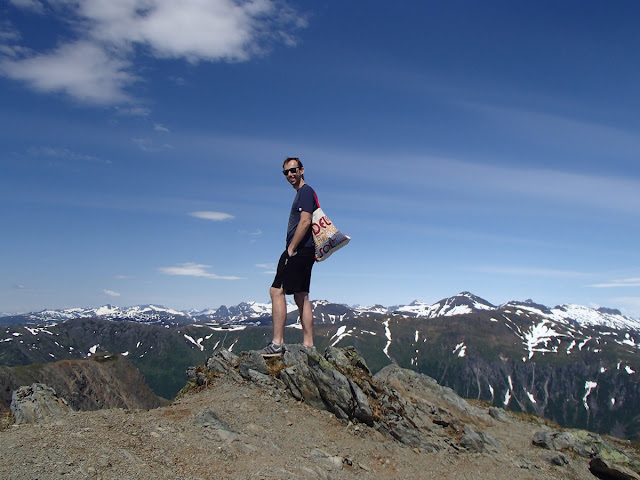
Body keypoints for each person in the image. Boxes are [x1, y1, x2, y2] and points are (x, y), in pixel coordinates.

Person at [260, 157, 316, 357]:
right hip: (306, 250)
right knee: (301, 295)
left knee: (276, 290)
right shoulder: (303, 193)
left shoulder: (305, 192)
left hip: (299, 250)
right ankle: (308, 345)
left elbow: (306, 221)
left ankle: (277, 343)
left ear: (302, 170)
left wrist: (291, 248)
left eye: (293, 170)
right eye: (286, 172)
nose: (290, 175)